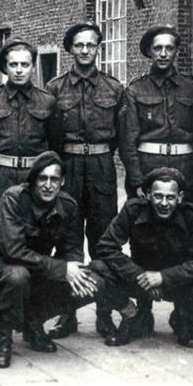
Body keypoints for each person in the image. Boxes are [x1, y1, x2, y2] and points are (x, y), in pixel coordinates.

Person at [0, 151, 105, 368]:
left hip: (35, 269)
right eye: (42, 178)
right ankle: (1, 338)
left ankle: (32, 322)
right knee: (17, 276)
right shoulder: (14, 199)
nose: (48, 185)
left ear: (62, 181)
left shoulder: (68, 205)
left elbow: (72, 251)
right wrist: (62, 269)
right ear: (33, 180)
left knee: (94, 282)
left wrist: (73, 272)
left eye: (54, 179)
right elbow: (13, 251)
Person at [45, 23, 123, 339]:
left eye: (91, 44)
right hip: (68, 166)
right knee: (68, 241)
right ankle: (68, 314)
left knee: (104, 241)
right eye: (79, 45)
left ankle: (105, 313)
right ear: (70, 49)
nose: (85, 50)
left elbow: (120, 134)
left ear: (98, 48)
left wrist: (102, 155)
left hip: (102, 167)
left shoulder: (114, 89)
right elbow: (50, 137)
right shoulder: (54, 89)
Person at [93, 168, 193, 348]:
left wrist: (164, 277)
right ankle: (132, 315)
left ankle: (182, 318)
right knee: (97, 268)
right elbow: (106, 246)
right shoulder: (134, 209)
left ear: (180, 197)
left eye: (170, 197)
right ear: (148, 195)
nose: (164, 203)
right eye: (158, 196)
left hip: (177, 284)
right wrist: (141, 275)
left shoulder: (191, 214)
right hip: (140, 282)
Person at [0, 38, 58, 238]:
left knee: (34, 232)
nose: (19, 70)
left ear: (33, 67)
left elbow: (55, 146)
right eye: (13, 64)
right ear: (5, 67)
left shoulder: (48, 102)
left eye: (25, 65)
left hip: (33, 177)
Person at [120, 26, 193, 203]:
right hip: (148, 165)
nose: (163, 54)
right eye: (158, 48)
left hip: (185, 166)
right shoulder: (136, 90)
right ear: (150, 51)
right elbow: (128, 141)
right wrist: (136, 181)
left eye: (169, 48)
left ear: (176, 52)